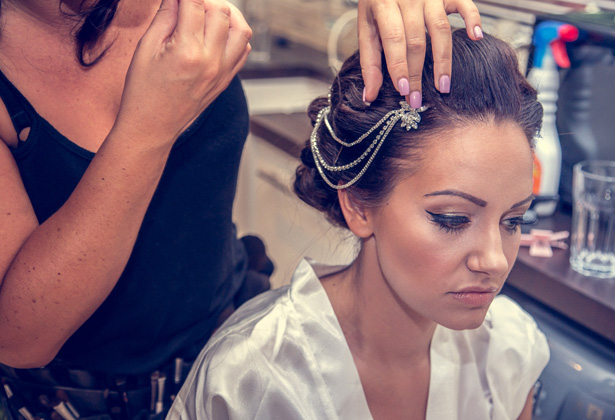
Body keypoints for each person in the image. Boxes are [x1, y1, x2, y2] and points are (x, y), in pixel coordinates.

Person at [0, 0, 482, 419]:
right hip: (61, 400)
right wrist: (149, 124)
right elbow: (20, 334)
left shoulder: (253, 368)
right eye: (451, 218)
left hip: (222, 343)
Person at [167, 30, 550, 420]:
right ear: (359, 205)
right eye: (452, 219)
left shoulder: (508, 353)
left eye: (513, 220)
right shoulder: (248, 381)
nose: (496, 260)